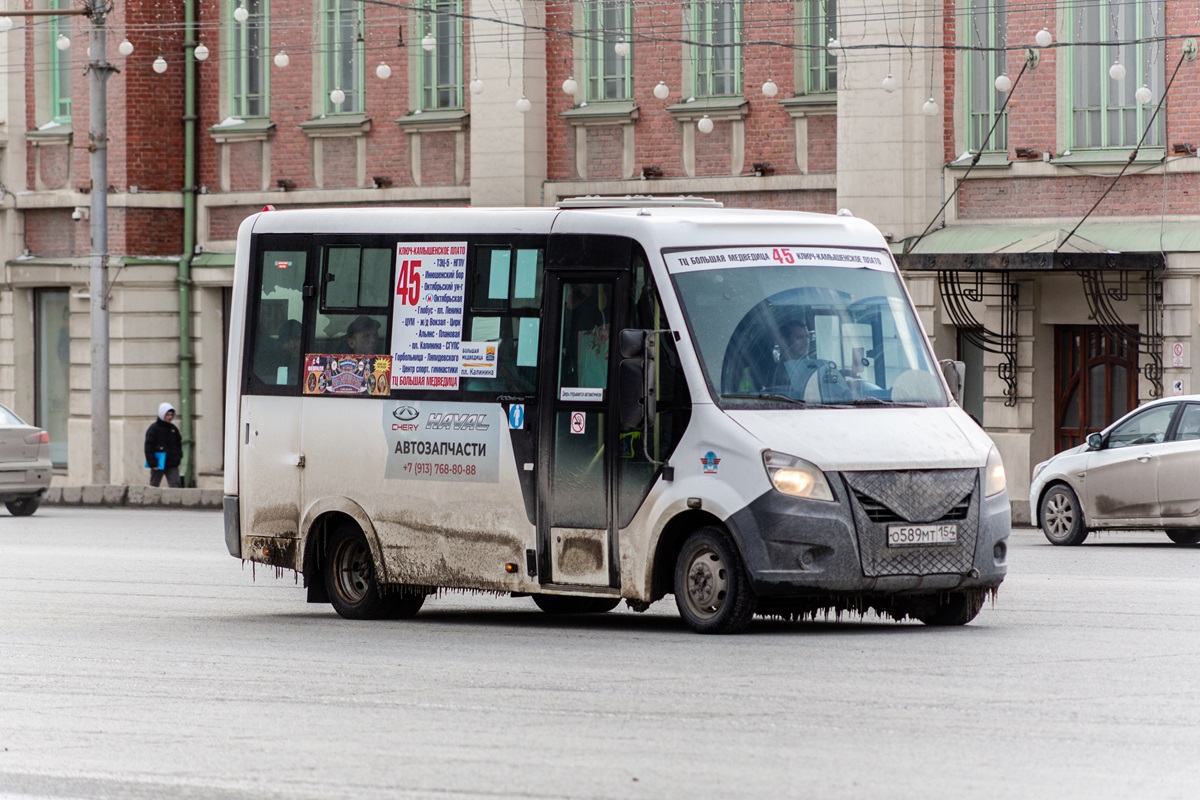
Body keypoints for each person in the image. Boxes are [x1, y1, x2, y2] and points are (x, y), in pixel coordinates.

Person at [773, 320, 850, 401]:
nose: (806, 341)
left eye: (807, 337)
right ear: (784, 342)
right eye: (799, 337)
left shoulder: (810, 365)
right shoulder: (782, 372)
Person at [144, 402, 183, 488]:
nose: (169, 417)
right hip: (158, 463)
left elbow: (178, 443)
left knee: (175, 484)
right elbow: (148, 447)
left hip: (172, 462)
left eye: (171, 415)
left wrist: (178, 456)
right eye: (167, 414)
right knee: (154, 485)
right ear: (162, 414)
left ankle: (175, 501)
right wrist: (152, 463)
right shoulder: (154, 429)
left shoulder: (173, 429)